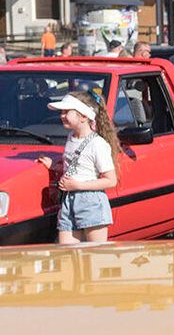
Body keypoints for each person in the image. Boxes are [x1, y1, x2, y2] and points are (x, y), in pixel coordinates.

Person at [36, 93, 120, 243]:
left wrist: (77, 185)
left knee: (96, 252)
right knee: (67, 253)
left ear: (83, 116)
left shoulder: (97, 144)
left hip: (91, 202)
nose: (62, 116)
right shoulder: (71, 138)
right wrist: (55, 167)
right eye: (62, 112)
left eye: (66, 112)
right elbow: (76, 166)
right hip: (69, 200)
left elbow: (110, 180)